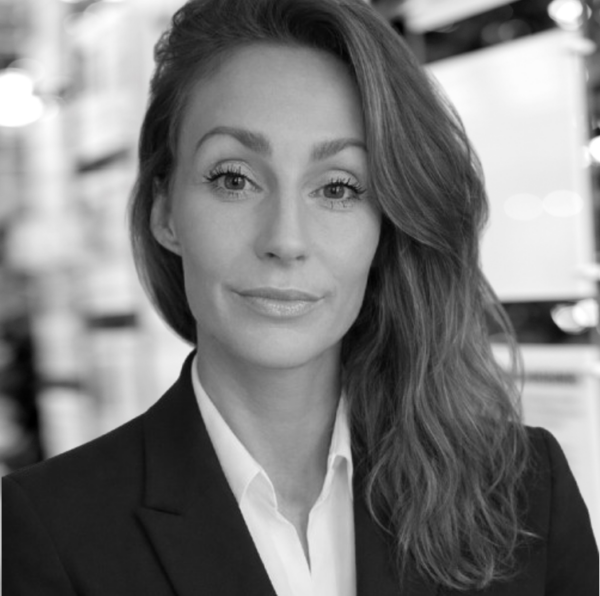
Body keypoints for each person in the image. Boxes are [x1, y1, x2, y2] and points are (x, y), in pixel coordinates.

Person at [3, 0, 598, 594]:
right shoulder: (44, 529)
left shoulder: (524, 492)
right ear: (165, 211)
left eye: (338, 188)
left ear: (389, 222)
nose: (285, 241)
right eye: (234, 179)